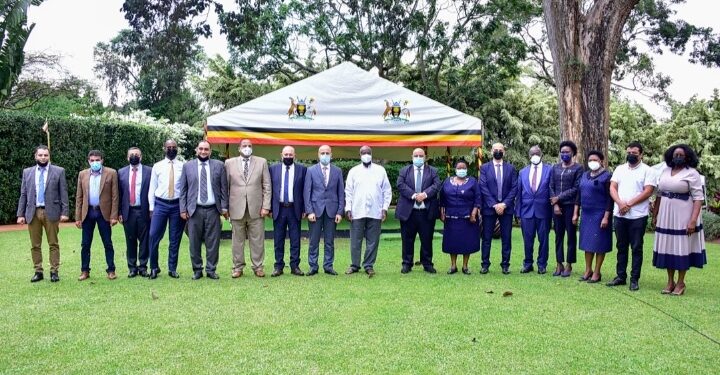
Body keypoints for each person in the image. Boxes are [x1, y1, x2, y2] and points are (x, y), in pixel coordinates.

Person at [652, 144, 707, 295]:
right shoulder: (664, 171)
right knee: (668, 246)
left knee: (681, 247)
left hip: (684, 214)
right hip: (665, 215)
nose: (678, 157)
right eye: (675, 154)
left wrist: (693, 220)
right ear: (670, 156)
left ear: (688, 157)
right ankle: (670, 282)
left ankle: (681, 282)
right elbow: (659, 194)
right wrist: (655, 214)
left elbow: (698, 199)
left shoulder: (692, 173)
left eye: (681, 155)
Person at [607, 141, 656, 291]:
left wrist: (629, 204)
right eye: (628, 152)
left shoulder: (648, 171)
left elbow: (648, 191)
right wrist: (620, 204)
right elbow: (612, 187)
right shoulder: (620, 169)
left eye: (634, 153)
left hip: (637, 216)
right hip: (620, 215)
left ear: (641, 154)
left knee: (636, 247)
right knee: (621, 246)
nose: (631, 155)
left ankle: (634, 279)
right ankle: (620, 276)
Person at [17, 145, 69, 282]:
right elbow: (23, 194)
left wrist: (65, 212)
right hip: (32, 212)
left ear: (49, 156)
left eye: (45, 155)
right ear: (35, 156)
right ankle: (38, 271)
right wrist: (20, 214)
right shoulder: (27, 172)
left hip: (51, 212)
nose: (43, 157)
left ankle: (54, 271)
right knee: (35, 245)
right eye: (40, 155)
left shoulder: (59, 171)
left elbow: (63, 193)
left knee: (53, 243)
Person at [179, 140, 229, 280]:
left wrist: (224, 208)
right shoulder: (187, 166)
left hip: (213, 209)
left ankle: (211, 269)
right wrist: (183, 209)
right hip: (194, 210)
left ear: (210, 151)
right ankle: (197, 270)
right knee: (194, 242)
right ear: (196, 150)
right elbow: (183, 190)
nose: (203, 151)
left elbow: (224, 188)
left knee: (213, 241)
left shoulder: (219, 166)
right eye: (201, 149)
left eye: (206, 149)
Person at [226, 139, 271, 278]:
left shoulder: (261, 162)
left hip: (256, 209)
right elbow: (225, 187)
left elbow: (267, 186)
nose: (247, 148)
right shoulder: (229, 163)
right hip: (236, 208)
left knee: (257, 240)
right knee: (237, 241)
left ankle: (258, 266)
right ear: (239, 148)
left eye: (249, 146)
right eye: (244, 146)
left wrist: (266, 206)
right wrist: (225, 208)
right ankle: (237, 267)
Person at [344, 146, 392, 276]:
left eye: (368, 153)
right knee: (355, 240)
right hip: (357, 211)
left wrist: (385, 208)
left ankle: (369, 265)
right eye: (363, 153)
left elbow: (387, 191)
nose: (366, 154)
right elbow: (348, 191)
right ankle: (354, 265)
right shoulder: (353, 171)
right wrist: (348, 208)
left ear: (372, 154)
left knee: (373, 240)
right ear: (359, 155)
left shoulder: (380, 170)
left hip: (375, 211)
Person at [75, 150, 119, 281]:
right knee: (85, 244)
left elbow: (115, 196)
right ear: (88, 161)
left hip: (103, 213)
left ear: (102, 160)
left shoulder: (111, 173)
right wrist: (78, 217)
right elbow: (79, 197)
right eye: (92, 160)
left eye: (97, 160)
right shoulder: (82, 174)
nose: (95, 162)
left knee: (107, 243)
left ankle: (111, 270)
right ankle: (84, 270)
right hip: (87, 213)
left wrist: (114, 215)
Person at [396, 148, 441, 274]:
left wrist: (425, 195)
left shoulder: (433, 171)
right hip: (408, 212)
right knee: (407, 239)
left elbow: (437, 185)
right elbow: (400, 185)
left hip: (426, 212)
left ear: (425, 157)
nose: (418, 157)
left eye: (421, 155)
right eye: (416, 155)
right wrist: (414, 195)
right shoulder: (404, 170)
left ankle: (427, 263)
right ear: (412, 157)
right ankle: (407, 263)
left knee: (427, 239)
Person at [573, 150, 613, 283]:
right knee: (587, 243)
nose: (592, 162)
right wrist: (575, 212)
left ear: (601, 161)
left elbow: (609, 198)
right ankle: (588, 269)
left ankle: (597, 272)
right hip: (586, 213)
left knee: (599, 243)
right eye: (590, 160)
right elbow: (578, 195)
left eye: (595, 160)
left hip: (600, 213)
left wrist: (606, 216)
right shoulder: (585, 175)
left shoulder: (607, 176)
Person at [303, 145, 344, 276]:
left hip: (332, 211)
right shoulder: (311, 170)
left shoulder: (337, 171)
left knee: (329, 241)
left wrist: (339, 212)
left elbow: (341, 193)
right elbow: (307, 192)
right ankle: (313, 266)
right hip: (315, 210)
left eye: (327, 153)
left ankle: (328, 266)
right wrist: (309, 211)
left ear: (331, 155)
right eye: (322, 153)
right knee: (313, 241)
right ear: (318, 155)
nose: (325, 155)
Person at [148, 139, 185, 279]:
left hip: (177, 205)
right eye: (168, 147)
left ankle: (172, 268)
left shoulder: (183, 166)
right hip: (160, 204)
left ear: (177, 149)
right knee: (153, 235)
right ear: (164, 148)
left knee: (175, 238)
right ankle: (154, 267)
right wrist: (152, 207)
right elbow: (152, 187)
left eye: (173, 147)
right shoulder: (157, 166)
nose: (171, 149)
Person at [478, 143, 518, 274]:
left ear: (504, 152)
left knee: (506, 238)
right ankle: (485, 265)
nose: (498, 152)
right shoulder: (484, 168)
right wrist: (494, 204)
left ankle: (505, 265)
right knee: (486, 238)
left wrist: (504, 204)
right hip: (489, 209)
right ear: (491, 151)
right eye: (496, 150)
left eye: (500, 150)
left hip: (506, 209)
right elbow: (483, 187)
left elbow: (514, 188)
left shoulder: (511, 168)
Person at [269, 146, 307, 277]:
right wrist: (269, 208)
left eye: (291, 154)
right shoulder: (273, 169)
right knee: (278, 239)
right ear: (281, 155)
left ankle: (295, 266)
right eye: (286, 154)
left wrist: (304, 209)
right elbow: (269, 190)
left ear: (294, 155)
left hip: (294, 209)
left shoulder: (302, 169)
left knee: (295, 239)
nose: (288, 156)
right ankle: (278, 266)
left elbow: (304, 191)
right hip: (278, 209)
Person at [439, 159, 480, 274]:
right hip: (451, 218)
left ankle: (465, 266)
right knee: (452, 242)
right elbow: (442, 198)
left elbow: (478, 198)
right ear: (455, 169)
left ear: (466, 169)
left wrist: (474, 212)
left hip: (468, 218)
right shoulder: (447, 181)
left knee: (467, 242)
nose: (461, 170)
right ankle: (453, 266)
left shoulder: (472, 181)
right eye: (459, 168)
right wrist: (442, 212)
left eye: (464, 168)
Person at [549, 140, 584, 277]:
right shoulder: (555, 167)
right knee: (558, 236)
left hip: (570, 206)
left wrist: (560, 198)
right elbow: (551, 186)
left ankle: (569, 264)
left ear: (573, 153)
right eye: (562, 152)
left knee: (570, 236)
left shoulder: (578, 168)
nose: (564, 154)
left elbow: (576, 188)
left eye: (567, 152)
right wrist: (556, 203)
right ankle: (559, 263)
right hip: (556, 207)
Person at [516, 145, 552, 274]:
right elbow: (519, 193)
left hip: (544, 211)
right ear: (529, 156)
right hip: (526, 212)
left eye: (537, 153)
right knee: (528, 240)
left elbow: (551, 190)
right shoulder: (522, 172)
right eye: (532, 153)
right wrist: (518, 213)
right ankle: (528, 263)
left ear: (541, 155)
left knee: (543, 240)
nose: (535, 155)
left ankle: (542, 265)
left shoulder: (550, 170)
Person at [117, 147, 152, 278]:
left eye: (136, 154)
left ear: (141, 157)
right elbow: (119, 195)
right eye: (131, 155)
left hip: (144, 210)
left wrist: (151, 209)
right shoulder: (121, 172)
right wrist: (119, 212)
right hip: (128, 211)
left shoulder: (149, 171)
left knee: (145, 240)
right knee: (130, 240)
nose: (134, 156)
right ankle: (132, 268)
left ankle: (143, 267)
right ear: (127, 157)